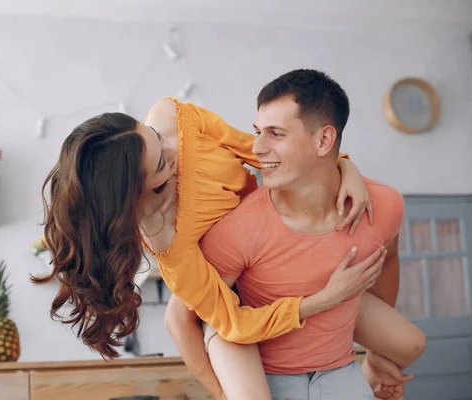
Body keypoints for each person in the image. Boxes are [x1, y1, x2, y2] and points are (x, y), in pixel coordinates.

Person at [34, 73, 414, 397]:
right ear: (140, 188)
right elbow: (232, 321)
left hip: (266, 242)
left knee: (411, 343)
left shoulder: (174, 119)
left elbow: (265, 152)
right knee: (186, 323)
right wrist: (320, 300)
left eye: (153, 135)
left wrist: (346, 168)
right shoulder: (168, 239)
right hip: (225, 292)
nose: (172, 148)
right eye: (162, 161)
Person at [165, 69, 426, 400]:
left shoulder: (384, 204)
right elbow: (181, 318)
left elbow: (386, 260)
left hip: (340, 367)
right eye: (257, 131)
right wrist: (222, 392)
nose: (257, 148)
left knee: (412, 342)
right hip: (269, 376)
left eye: (275, 134)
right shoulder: (237, 229)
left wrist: (379, 351)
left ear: (323, 140)